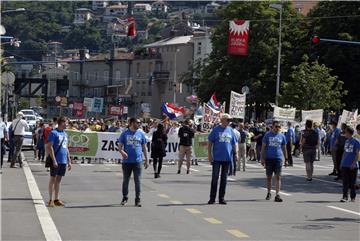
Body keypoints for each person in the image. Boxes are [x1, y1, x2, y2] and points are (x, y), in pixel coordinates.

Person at [207, 113, 238, 205]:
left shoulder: (231, 130)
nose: (229, 122)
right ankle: (212, 198)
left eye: (230, 120)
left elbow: (234, 142)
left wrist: (235, 153)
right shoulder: (216, 130)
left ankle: (221, 198)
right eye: (228, 120)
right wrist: (209, 155)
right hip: (217, 158)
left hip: (227, 158)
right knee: (215, 178)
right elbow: (210, 142)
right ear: (223, 120)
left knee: (224, 179)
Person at [118, 117, 149, 207]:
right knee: (126, 180)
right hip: (127, 162)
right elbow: (119, 147)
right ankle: (125, 198)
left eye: (140, 122)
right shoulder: (125, 133)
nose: (139, 124)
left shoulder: (141, 133)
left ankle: (137, 200)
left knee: (138, 181)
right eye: (138, 122)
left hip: (138, 161)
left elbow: (144, 147)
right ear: (132, 123)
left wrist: (147, 160)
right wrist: (122, 152)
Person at [47, 116, 72, 207]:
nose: (67, 124)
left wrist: (69, 160)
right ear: (62, 123)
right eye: (66, 122)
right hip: (56, 160)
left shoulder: (65, 134)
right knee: (53, 179)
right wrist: (54, 160)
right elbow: (49, 147)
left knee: (59, 180)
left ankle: (56, 198)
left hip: (63, 160)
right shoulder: (53, 133)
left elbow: (66, 148)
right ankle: (50, 199)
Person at [261, 121, 288, 202]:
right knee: (269, 177)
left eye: (279, 127)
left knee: (278, 177)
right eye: (276, 126)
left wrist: (286, 159)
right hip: (269, 158)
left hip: (278, 158)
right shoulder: (267, 135)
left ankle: (277, 195)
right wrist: (262, 158)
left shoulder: (282, 136)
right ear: (272, 126)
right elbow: (263, 148)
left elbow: (284, 148)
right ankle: (269, 192)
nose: (278, 128)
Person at [339, 126, 359, 202]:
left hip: (353, 166)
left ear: (349, 133)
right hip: (345, 164)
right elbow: (345, 152)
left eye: (345, 132)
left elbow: (357, 154)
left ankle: (353, 197)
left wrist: (354, 163)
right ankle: (345, 196)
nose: (344, 133)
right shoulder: (346, 141)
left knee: (352, 183)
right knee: (345, 182)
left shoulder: (356, 141)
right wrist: (341, 162)